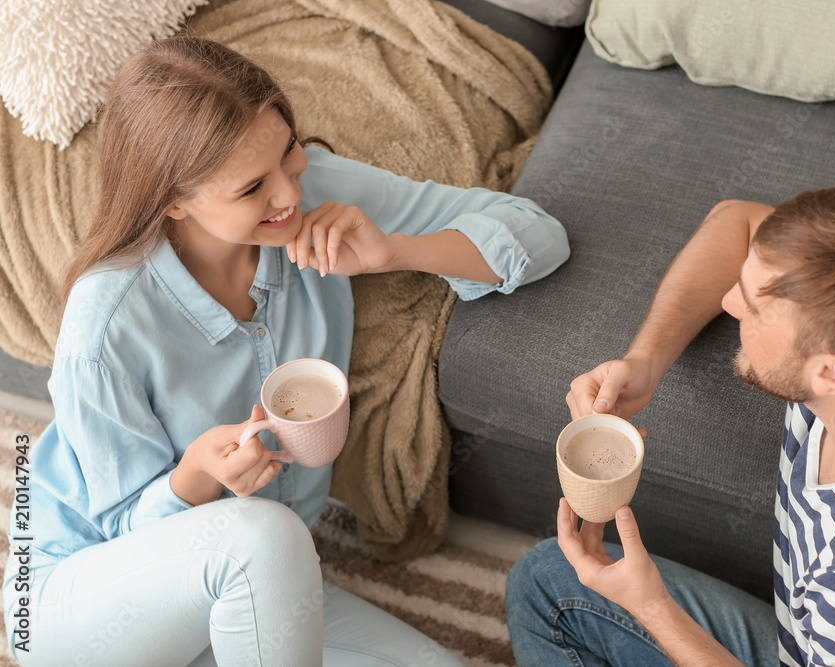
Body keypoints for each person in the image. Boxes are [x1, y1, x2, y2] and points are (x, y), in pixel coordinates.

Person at [1, 35, 569, 666]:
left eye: (289, 156)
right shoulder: (104, 326)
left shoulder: (310, 193)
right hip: (82, 600)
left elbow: (537, 234)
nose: (289, 198)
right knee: (263, 536)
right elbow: (122, 530)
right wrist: (195, 478)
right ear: (173, 200)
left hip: (261, 583)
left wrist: (399, 251)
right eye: (252, 189)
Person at [506, 186, 835, 665]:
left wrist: (649, 604)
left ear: (831, 373)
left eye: (754, 308)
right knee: (548, 576)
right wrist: (646, 361)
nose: (728, 303)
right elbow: (738, 219)